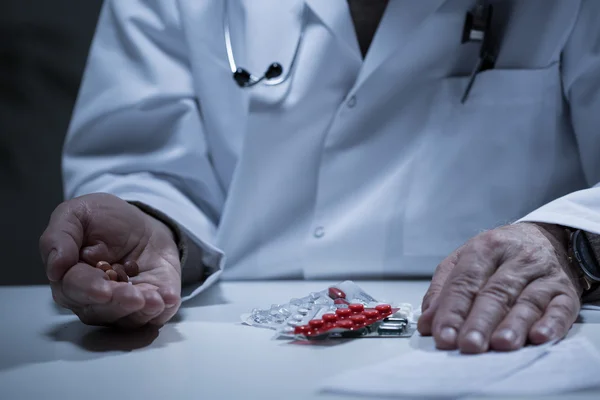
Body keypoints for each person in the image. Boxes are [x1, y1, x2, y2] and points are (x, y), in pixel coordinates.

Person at [40, 0, 600, 353]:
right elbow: (145, 161)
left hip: (499, 340)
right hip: (218, 347)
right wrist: (154, 226)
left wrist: (566, 240)